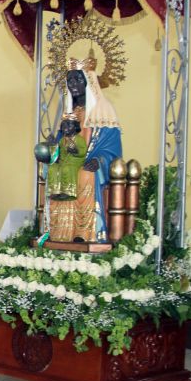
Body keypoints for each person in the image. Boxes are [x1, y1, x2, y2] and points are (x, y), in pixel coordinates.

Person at [49, 57, 123, 242]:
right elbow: (62, 142)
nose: (73, 84)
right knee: (54, 171)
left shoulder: (104, 110)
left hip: (91, 163)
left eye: (77, 80)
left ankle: (85, 232)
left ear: (88, 82)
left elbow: (112, 148)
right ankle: (61, 231)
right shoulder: (69, 111)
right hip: (70, 161)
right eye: (70, 80)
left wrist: (98, 160)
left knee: (84, 174)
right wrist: (53, 149)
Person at [46, 113, 86, 201]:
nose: (65, 127)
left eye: (69, 125)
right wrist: (53, 144)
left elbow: (83, 151)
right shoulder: (61, 140)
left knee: (66, 169)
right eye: (63, 125)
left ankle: (68, 192)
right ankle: (55, 191)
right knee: (52, 168)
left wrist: (75, 150)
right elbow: (57, 152)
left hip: (74, 161)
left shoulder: (79, 140)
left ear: (75, 127)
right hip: (63, 161)